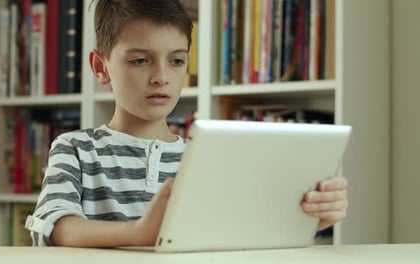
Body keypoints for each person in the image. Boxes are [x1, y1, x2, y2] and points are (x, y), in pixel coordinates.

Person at [25, 0, 349, 247]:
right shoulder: (75, 149)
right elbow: (55, 227)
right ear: (101, 66)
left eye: (176, 61)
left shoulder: (209, 159)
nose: (161, 78)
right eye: (140, 60)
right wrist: (139, 232)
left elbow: (240, 233)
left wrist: (312, 215)